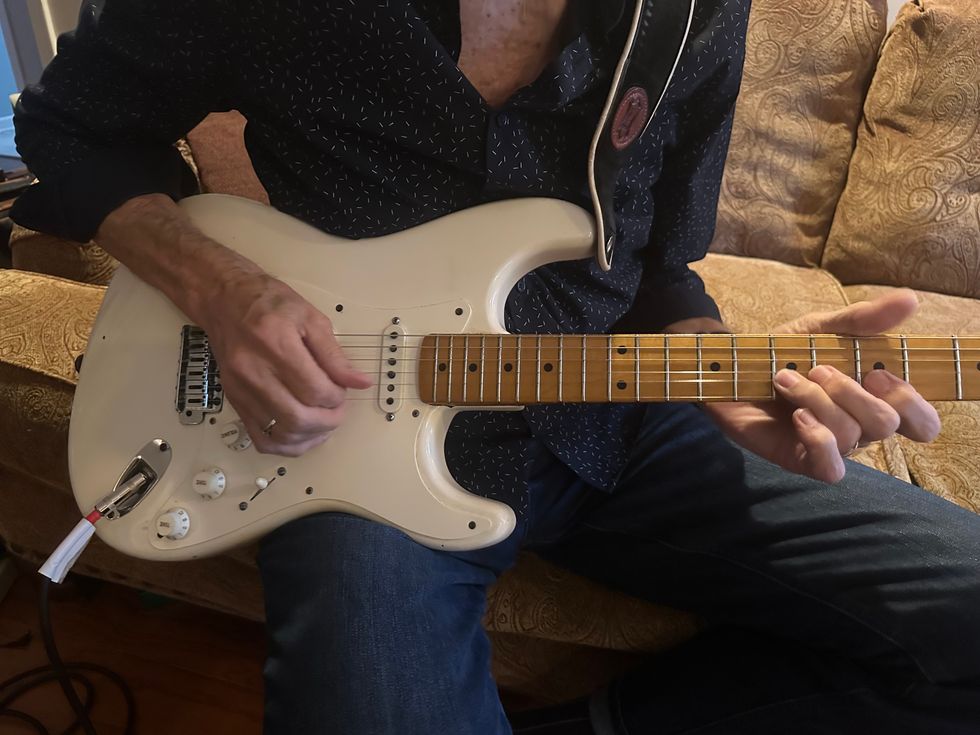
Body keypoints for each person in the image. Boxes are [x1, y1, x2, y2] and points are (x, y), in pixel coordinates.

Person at [12, 1, 980, 733]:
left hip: (611, 415)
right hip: (343, 431)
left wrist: (715, 372)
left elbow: (659, 267)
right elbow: (70, 128)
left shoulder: (686, 10)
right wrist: (222, 290)